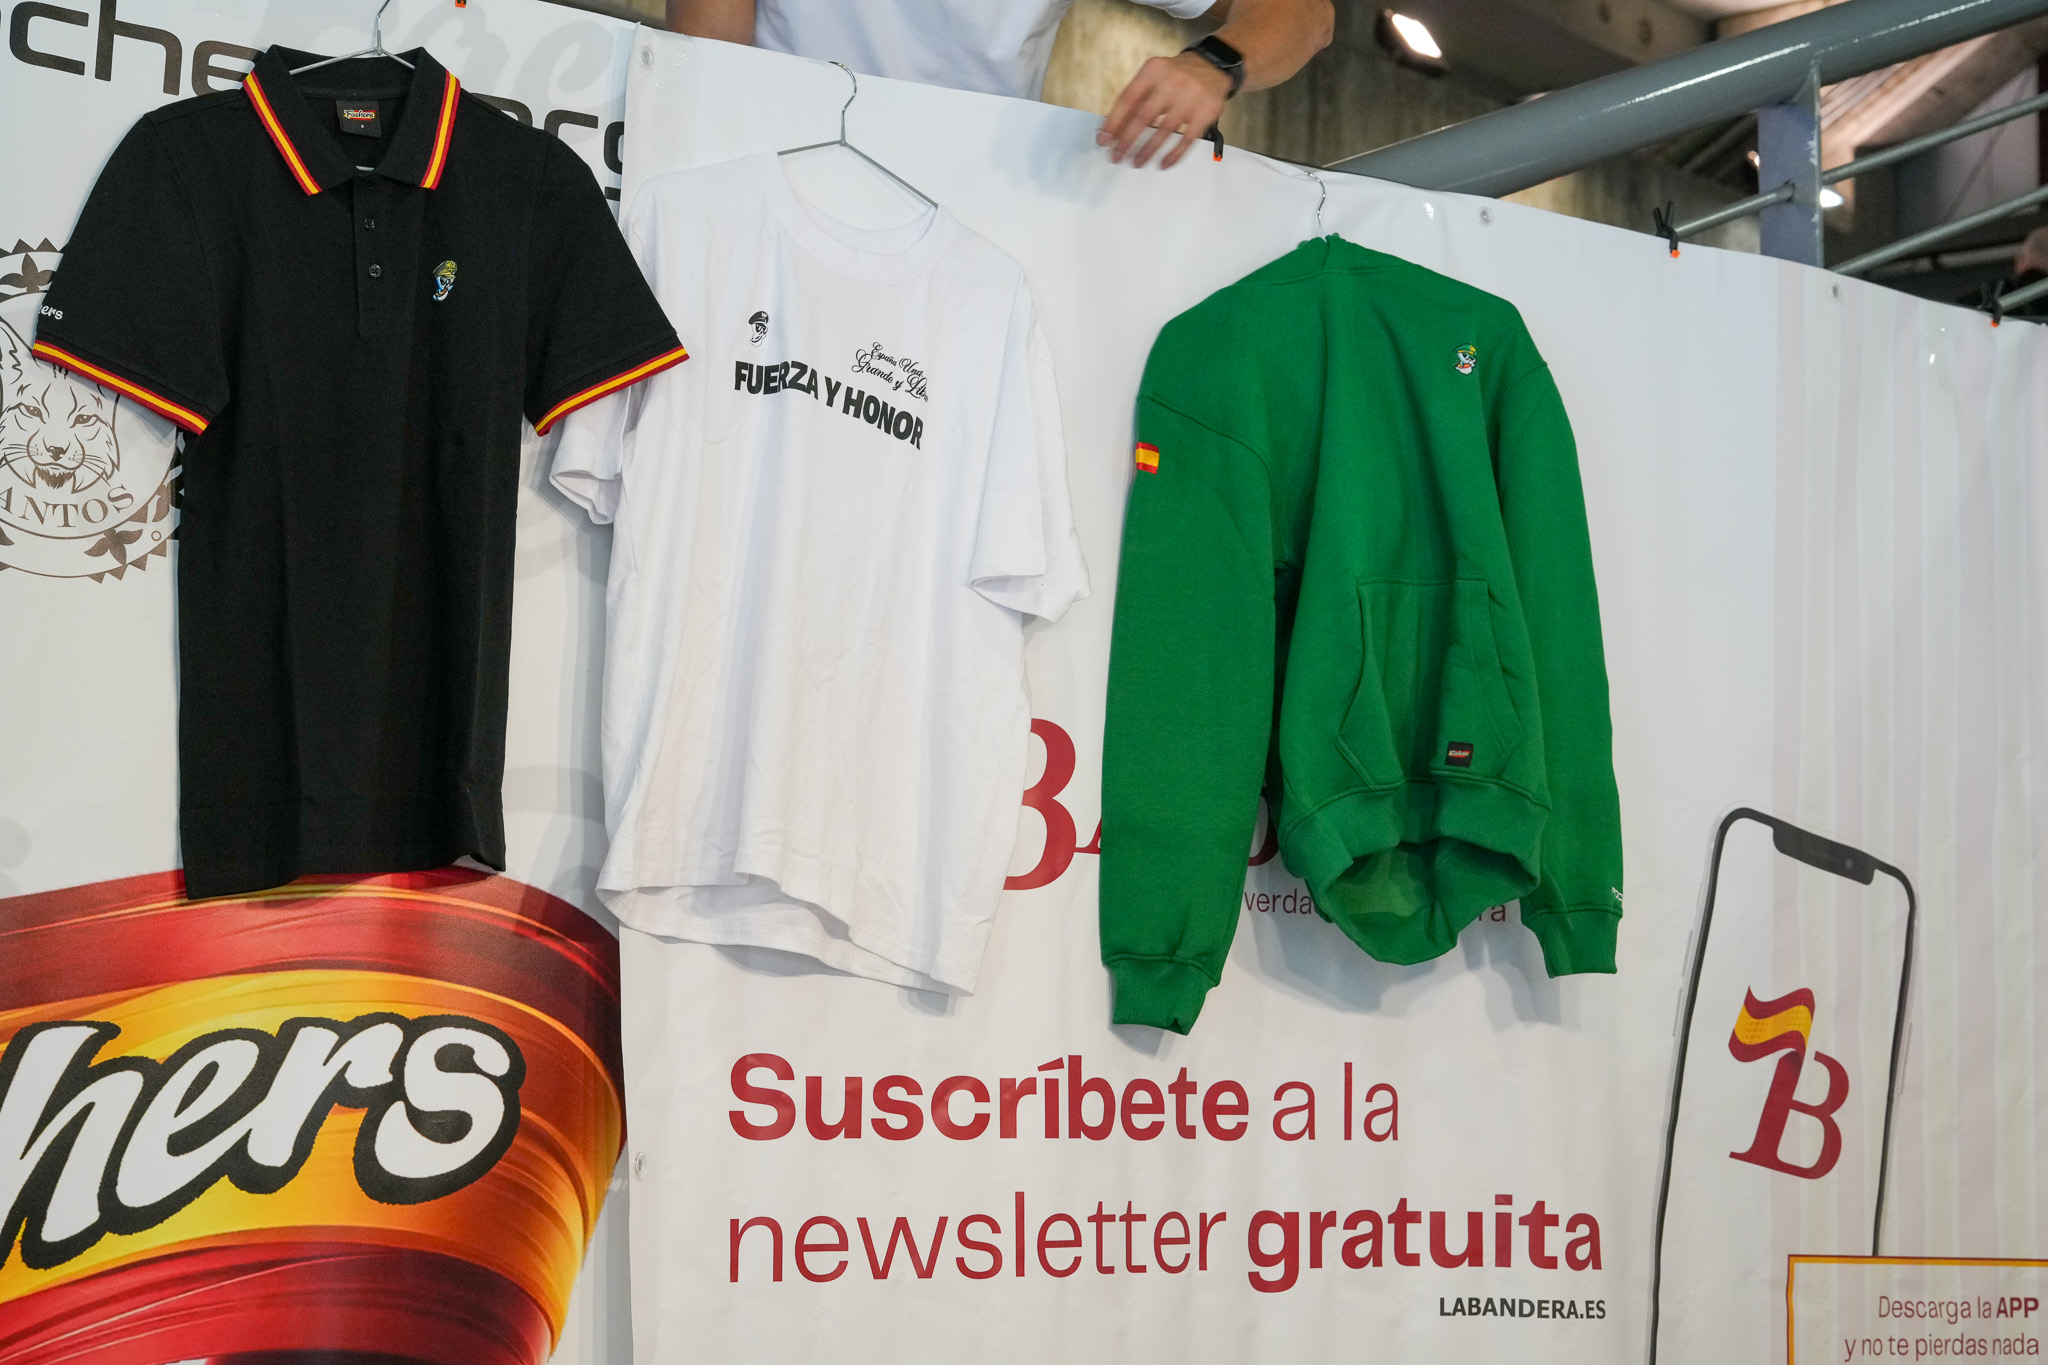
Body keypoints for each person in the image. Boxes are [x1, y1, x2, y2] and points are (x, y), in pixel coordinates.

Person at [666, 0, 1334, 169]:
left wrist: (1214, 63)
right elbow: (708, 68)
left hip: (964, 225)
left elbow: (1307, 14)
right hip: (778, 178)